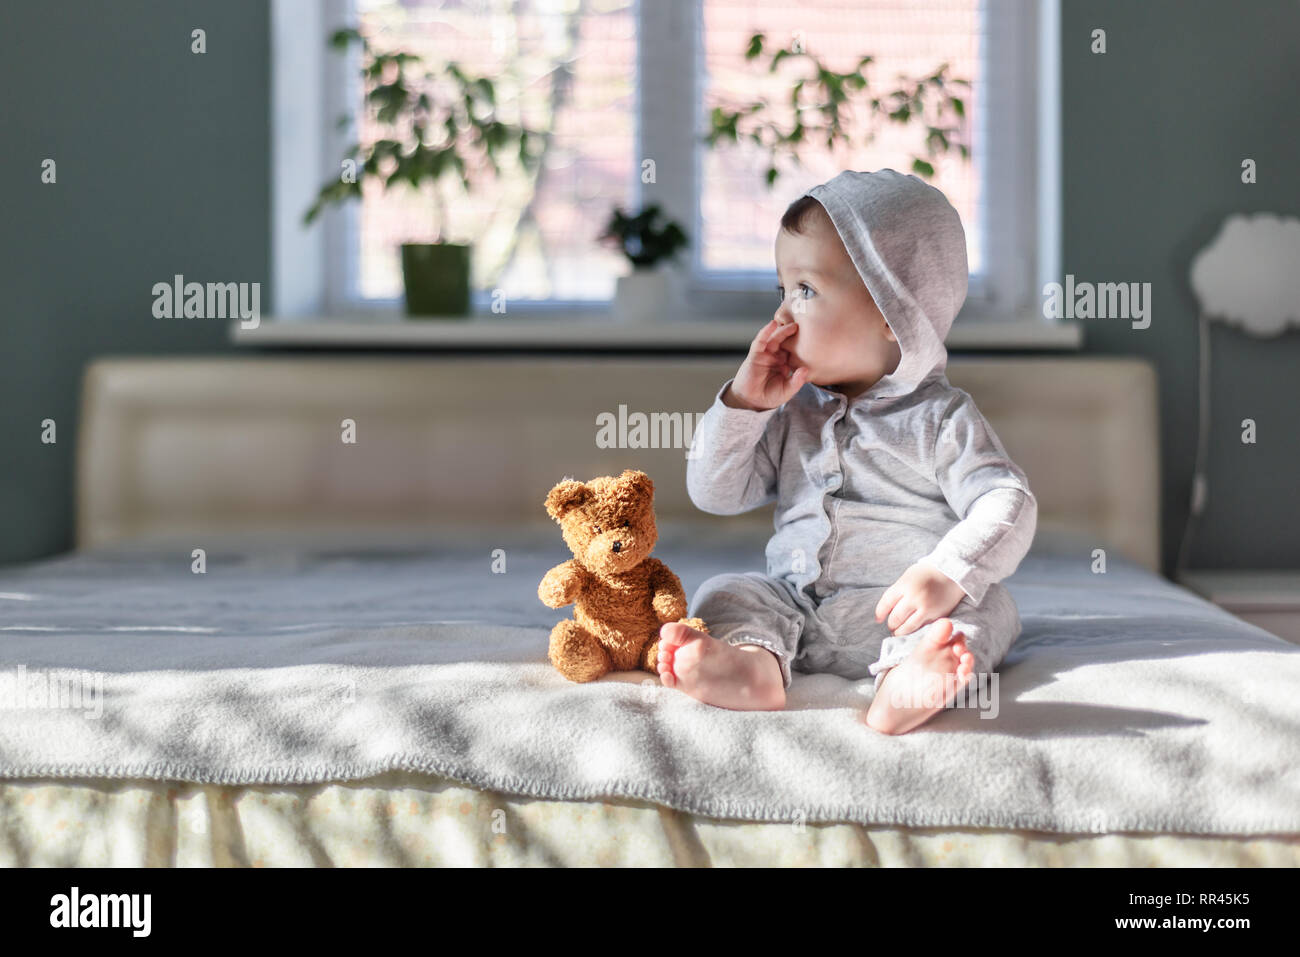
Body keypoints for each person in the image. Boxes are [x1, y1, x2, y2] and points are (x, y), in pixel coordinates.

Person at [658, 169, 1037, 735]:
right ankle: (756, 666)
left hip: (910, 614)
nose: (782, 316)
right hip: (798, 611)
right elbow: (714, 493)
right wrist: (744, 405)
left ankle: (910, 681)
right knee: (727, 591)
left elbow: (1007, 500)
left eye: (804, 291)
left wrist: (948, 573)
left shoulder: (942, 418)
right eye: (780, 291)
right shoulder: (790, 412)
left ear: (892, 314)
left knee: (990, 610)